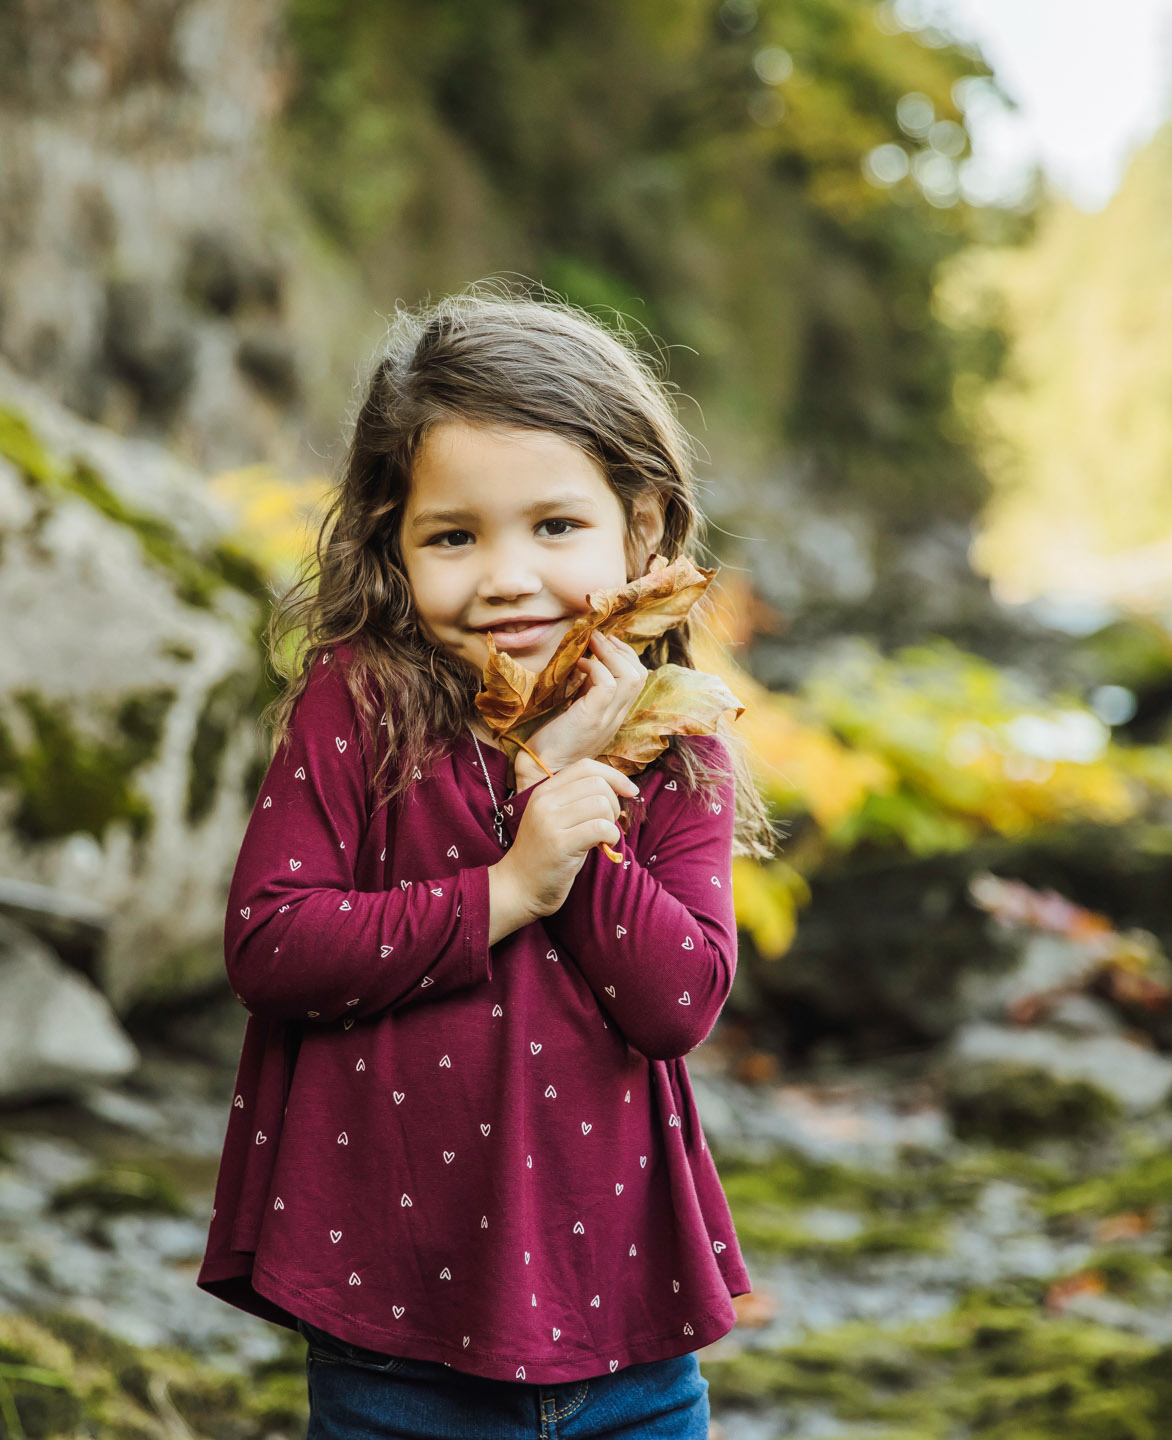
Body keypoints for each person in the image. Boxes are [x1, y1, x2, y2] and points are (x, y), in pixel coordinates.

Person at [196, 287, 776, 1440]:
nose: (505, 576)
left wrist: (561, 808)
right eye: (453, 536)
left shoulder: (676, 737)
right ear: (391, 542)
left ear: (643, 526)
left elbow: (678, 1002)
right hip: (391, 1320)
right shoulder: (355, 702)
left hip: (624, 1326)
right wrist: (507, 887)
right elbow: (270, 944)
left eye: (554, 527)